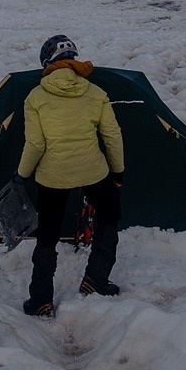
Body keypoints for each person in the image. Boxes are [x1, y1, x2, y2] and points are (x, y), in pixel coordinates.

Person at [15, 35, 124, 318]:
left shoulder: (35, 97)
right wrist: (118, 171)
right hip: (94, 170)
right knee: (108, 218)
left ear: (47, 64)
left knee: (47, 235)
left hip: (52, 175)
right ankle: (95, 280)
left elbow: (36, 144)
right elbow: (111, 135)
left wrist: (21, 174)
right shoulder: (94, 92)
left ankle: (41, 300)